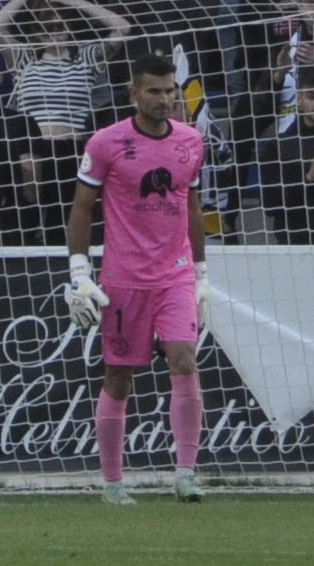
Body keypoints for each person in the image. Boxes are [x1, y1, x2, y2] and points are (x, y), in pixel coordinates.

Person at [64, 52, 209, 508]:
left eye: (170, 91)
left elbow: (191, 207)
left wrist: (201, 273)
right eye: (154, 91)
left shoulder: (191, 141)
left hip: (176, 273)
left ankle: (185, 474)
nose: (164, 100)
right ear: (134, 93)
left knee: (184, 359)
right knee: (119, 377)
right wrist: (79, 271)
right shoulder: (106, 143)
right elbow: (83, 207)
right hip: (124, 278)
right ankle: (112, 483)